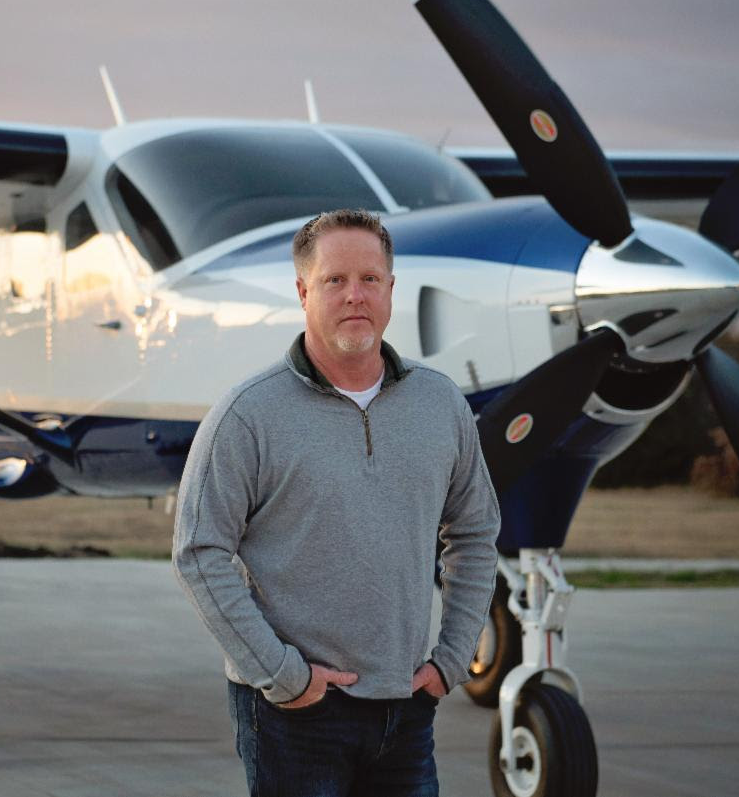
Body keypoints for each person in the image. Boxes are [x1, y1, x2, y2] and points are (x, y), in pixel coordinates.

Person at [173, 208, 500, 797]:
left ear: (391, 290)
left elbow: (475, 533)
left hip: (407, 709)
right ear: (303, 291)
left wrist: (452, 658)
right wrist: (281, 675)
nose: (355, 296)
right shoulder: (247, 414)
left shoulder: (440, 403)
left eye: (370, 279)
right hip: (294, 714)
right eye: (335, 281)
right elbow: (198, 550)